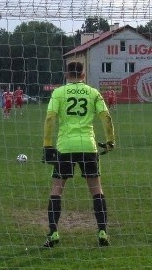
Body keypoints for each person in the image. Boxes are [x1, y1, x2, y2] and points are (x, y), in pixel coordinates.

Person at [41, 61, 117, 248]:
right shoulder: (93, 93)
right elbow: (106, 117)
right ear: (84, 76)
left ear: (66, 74)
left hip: (65, 146)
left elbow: (50, 118)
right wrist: (110, 141)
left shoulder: (59, 93)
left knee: (57, 189)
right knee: (96, 189)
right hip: (88, 146)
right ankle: (102, 231)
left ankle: (53, 233)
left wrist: (47, 145)